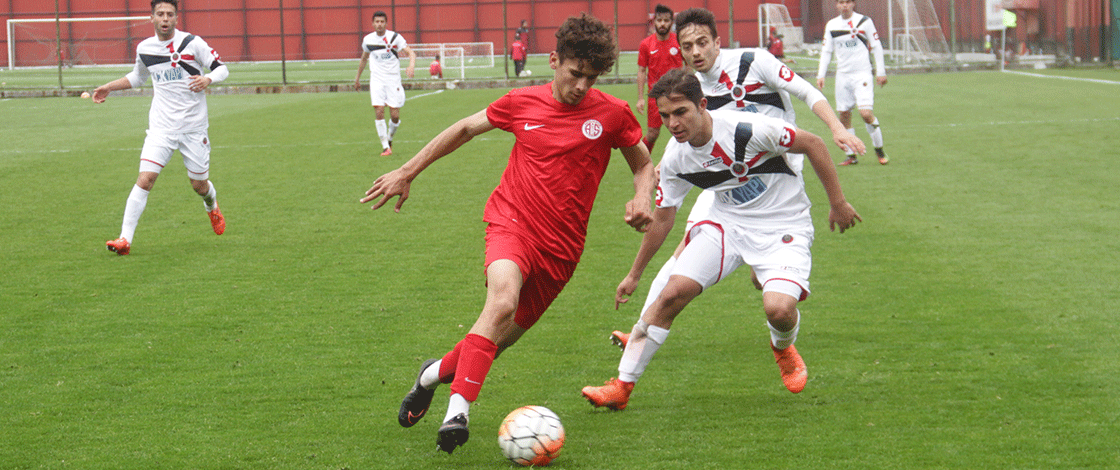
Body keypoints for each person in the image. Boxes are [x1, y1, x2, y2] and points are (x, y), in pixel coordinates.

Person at [363, 13, 655, 455]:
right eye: (575, 74)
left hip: (562, 250)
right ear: (555, 60)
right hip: (511, 222)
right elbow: (463, 128)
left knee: (491, 344)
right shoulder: (521, 102)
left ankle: (430, 375)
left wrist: (643, 198)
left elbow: (643, 164)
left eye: (591, 78)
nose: (581, 86)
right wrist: (407, 171)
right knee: (500, 302)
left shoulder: (612, 114)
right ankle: (457, 412)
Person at [582, 69, 861, 410]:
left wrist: (838, 203)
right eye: (666, 116)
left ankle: (782, 345)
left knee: (779, 309)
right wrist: (634, 274)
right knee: (670, 296)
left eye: (681, 112)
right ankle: (622, 388)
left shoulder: (748, 129)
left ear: (702, 104)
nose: (673, 123)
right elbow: (664, 219)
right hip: (726, 225)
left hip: (783, 226)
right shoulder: (676, 157)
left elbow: (813, 143)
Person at [600, 7, 864, 355]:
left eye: (702, 43)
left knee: (755, 273)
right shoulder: (692, 89)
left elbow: (805, 92)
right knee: (685, 247)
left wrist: (836, 127)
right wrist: (644, 193)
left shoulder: (755, 61)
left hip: (772, 174)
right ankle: (640, 330)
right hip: (725, 176)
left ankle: (769, 285)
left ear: (717, 41)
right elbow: (679, 150)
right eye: (688, 46)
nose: (696, 52)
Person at [94, 0, 228, 256]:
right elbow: (137, 77)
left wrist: (208, 78)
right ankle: (125, 239)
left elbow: (222, 69)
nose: (165, 18)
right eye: (160, 14)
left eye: (170, 14)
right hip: (161, 128)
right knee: (145, 179)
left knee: (199, 185)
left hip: (193, 128)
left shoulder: (192, 43)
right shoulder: (145, 48)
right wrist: (108, 86)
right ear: (152, 18)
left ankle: (211, 206)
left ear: (177, 18)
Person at [816, 0, 889, 166]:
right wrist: (821, 74)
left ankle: (879, 149)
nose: (844, 5)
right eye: (841, 2)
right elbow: (826, 51)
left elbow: (876, 46)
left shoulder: (864, 22)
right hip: (842, 75)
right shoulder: (832, 25)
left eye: (848, 2)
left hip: (862, 73)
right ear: (837, 5)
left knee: (865, 114)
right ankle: (851, 155)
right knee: (844, 115)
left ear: (853, 4)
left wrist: (881, 71)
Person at [355, 11, 416, 157]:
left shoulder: (395, 37)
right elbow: (364, 59)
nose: (379, 24)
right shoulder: (368, 40)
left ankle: (389, 139)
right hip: (376, 80)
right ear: (373, 23)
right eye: (377, 21)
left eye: (382, 21)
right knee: (379, 111)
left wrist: (411, 66)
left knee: (395, 115)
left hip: (393, 80)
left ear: (386, 23)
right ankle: (385, 147)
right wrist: (357, 78)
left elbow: (411, 53)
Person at [636, 4, 684, 151]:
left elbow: (688, 68)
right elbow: (641, 71)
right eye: (659, 20)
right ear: (654, 22)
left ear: (671, 22)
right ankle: (641, 163)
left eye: (666, 20)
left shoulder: (680, 41)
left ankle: (686, 166)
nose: (662, 24)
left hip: (678, 93)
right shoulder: (646, 44)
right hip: (655, 97)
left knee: (684, 130)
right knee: (652, 134)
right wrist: (640, 98)